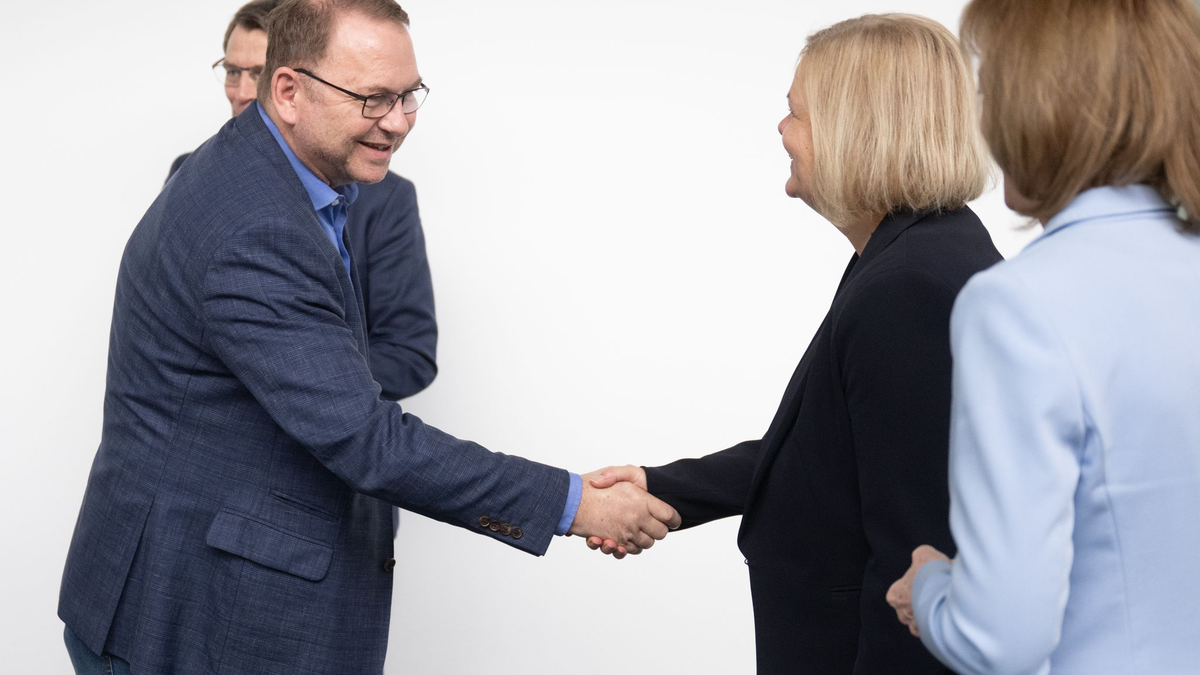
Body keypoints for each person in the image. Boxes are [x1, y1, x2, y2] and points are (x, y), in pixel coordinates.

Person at [58, 2, 680, 674]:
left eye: (409, 95)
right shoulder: (255, 226)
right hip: (186, 609)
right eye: (373, 98)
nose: (398, 120)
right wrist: (575, 502)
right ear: (290, 92)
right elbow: (367, 441)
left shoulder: (289, 178)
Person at [587, 13, 1001, 675]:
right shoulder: (914, 252)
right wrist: (663, 485)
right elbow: (830, 450)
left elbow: (916, 557)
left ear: (857, 128)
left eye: (796, 113)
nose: (782, 131)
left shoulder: (908, 287)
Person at [885, 1, 1200, 673]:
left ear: (1036, 104)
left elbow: (1000, 639)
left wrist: (932, 586)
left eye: (990, 86)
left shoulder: (1019, 306)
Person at [171, 0, 437, 401]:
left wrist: (312, 375)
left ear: (288, 89)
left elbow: (409, 353)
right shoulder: (198, 181)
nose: (245, 93)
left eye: (258, 74)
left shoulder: (385, 197)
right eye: (232, 71)